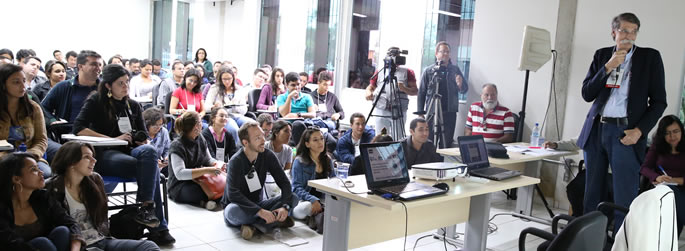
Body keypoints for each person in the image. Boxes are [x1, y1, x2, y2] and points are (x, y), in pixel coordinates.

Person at [578, 13, 667, 230]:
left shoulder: (650, 58)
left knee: (623, 196)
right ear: (613, 32)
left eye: (633, 31)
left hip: (625, 132)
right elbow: (587, 93)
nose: (629, 36)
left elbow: (659, 102)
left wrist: (639, 130)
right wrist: (607, 67)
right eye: (624, 30)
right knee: (592, 193)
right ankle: (589, 241)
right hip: (597, 130)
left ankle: (621, 242)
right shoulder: (602, 56)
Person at [72, 64, 175, 245]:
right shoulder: (95, 101)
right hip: (106, 152)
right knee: (150, 171)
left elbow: (144, 136)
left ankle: (145, 206)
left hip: (131, 152)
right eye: (120, 83)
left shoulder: (133, 105)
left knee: (149, 152)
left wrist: (140, 140)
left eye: (127, 82)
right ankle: (159, 228)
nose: (126, 86)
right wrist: (113, 137)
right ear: (108, 86)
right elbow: (78, 128)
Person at [46, 142, 161, 250]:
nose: (94, 160)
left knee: (149, 246)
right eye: (87, 157)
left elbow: (102, 222)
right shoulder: (53, 187)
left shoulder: (95, 180)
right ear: (71, 162)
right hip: (79, 246)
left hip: (102, 241)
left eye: (93, 156)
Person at [221, 122, 294, 240]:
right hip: (239, 206)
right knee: (232, 212)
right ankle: (270, 221)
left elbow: (284, 182)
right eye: (257, 138)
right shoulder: (236, 161)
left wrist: (285, 207)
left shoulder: (267, 155)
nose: (263, 140)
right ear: (245, 142)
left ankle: (255, 226)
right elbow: (233, 194)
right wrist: (260, 212)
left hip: (259, 204)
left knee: (293, 198)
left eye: (263, 136)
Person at [0, 152, 84, 251]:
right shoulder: (2, 207)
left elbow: (71, 224)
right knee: (42, 243)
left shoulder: (43, 197)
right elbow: (12, 244)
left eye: (39, 168)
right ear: (16, 179)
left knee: (62, 231)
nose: (41, 172)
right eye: (34, 170)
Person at [0, 63, 52, 178]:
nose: (23, 86)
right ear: (3, 85)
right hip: (2, 157)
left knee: (46, 174)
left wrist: (31, 155)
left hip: (29, 156)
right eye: (16, 82)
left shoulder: (33, 108)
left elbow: (41, 140)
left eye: (24, 81)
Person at [168, 111, 226, 210]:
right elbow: (180, 174)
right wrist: (207, 170)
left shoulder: (200, 138)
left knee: (226, 183)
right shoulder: (177, 145)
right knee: (196, 192)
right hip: (181, 184)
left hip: (200, 179)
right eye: (200, 122)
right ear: (195, 126)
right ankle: (207, 201)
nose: (202, 125)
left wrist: (218, 164)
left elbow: (208, 159)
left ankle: (207, 201)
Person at [640, 115, 685, 236]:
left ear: (682, 130)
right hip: (660, 188)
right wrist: (657, 177)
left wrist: (675, 180)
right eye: (667, 133)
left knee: (674, 201)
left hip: (682, 189)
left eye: (676, 131)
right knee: (670, 193)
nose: (672, 136)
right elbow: (644, 168)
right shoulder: (657, 146)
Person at [418, 41, 468, 148]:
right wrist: (420, 113)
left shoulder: (455, 69)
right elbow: (422, 92)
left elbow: (464, 89)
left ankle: (441, 164)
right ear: (436, 53)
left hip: (449, 111)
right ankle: (429, 163)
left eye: (447, 52)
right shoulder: (429, 71)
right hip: (432, 111)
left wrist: (460, 84)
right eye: (442, 51)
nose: (445, 54)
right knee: (429, 141)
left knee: (446, 142)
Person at [366, 47, 418, 136]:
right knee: (381, 137)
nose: (394, 59)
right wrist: (368, 92)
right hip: (381, 109)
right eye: (391, 56)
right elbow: (370, 87)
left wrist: (404, 89)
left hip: (398, 110)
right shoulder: (380, 71)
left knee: (397, 138)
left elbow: (415, 91)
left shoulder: (408, 72)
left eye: (396, 56)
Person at [291, 127, 334, 233]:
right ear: (307, 144)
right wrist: (313, 199)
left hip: (323, 201)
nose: (320, 142)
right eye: (315, 140)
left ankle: (317, 217)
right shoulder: (299, 161)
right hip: (303, 201)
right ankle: (316, 216)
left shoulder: (328, 160)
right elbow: (296, 188)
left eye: (321, 138)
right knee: (307, 207)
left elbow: (334, 182)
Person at [41, 50, 102, 124]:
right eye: (94, 64)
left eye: (100, 65)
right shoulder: (63, 87)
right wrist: (52, 121)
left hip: (98, 134)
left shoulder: (106, 88)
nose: (98, 68)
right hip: (68, 133)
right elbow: (43, 108)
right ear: (80, 66)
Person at [205, 67, 254, 145]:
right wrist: (214, 107)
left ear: (233, 78)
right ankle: (235, 152)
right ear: (220, 79)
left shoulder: (239, 89)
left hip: (237, 115)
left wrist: (235, 107)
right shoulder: (214, 88)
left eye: (229, 79)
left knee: (253, 125)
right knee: (234, 129)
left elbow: (244, 108)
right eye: (224, 79)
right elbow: (206, 106)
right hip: (224, 117)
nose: (227, 81)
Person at [263, 120, 293, 198]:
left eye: (290, 131)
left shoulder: (288, 150)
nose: (289, 134)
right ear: (276, 133)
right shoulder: (265, 148)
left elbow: (286, 171)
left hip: (278, 183)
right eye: (286, 131)